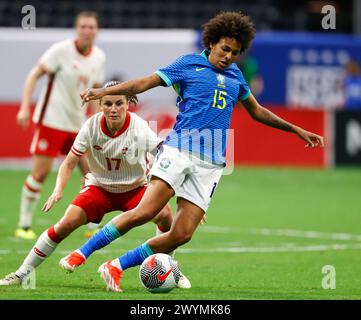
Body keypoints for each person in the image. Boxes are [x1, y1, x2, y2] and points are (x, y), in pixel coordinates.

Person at [61, 11, 324, 293]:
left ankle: (115, 265)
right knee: (144, 212)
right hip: (179, 150)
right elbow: (143, 83)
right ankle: (82, 252)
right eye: (225, 49)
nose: (228, 56)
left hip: (211, 165)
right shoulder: (188, 64)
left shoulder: (236, 76)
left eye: (235, 52)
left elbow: (257, 112)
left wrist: (297, 129)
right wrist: (102, 92)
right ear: (211, 43)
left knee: (182, 234)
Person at [0, 81, 190, 289]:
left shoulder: (139, 127)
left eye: (119, 103)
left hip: (135, 189)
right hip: (100, 189)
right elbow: (69, 163)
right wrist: (58, 189)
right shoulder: (91, 126)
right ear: (100, 105)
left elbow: (165, 157)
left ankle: (170, 268)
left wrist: (184, 189)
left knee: (165, 215)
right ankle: (20, 274)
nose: (114, 109)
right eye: (108, 104)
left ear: (128, 103)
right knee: (65, 224)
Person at [15, 11, 106, 239]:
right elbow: (33, 75)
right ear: (77, 29)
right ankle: (24, 225)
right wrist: (25, 107)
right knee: (41, 173)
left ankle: (93, 226)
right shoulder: (60, 51)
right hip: (52, 121)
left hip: (78, 125)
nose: (87, 30)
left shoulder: (99, 57)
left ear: (97, 30)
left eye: (91, 27)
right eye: (83, 26)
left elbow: (95, 94)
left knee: (92, 172)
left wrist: (97, 124)